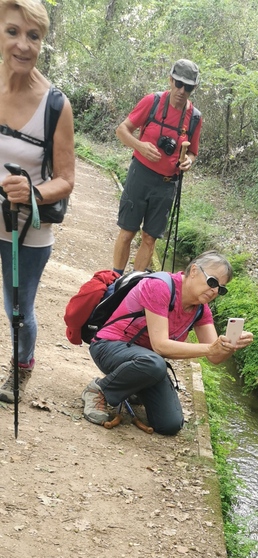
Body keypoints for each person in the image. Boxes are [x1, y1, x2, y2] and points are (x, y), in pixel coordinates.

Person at [81, 251, 253, 435]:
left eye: (221, 288)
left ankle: (131, 386)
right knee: (155, 363)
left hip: (146, 362)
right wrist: (211, 347)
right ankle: (99, 391)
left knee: (169, 424)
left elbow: (215, 358)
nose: (215, 290)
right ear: (194, 270)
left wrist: (230, 346)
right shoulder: (160, 286)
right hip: (110, 346)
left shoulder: (201, 310)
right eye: (212, 281)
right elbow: (160, 346)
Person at [0, 0, 74, 403]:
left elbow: (66, 180)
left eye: (34, 36)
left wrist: (30, 191)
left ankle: (21, 366)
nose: (23, 45)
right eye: (13, 32)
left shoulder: (56, 105)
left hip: (25, 227)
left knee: (18, 310)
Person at [112, 58, 201, 276]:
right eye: (178, 84)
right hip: (139, 175)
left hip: (167, 185)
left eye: (187, 87)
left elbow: (193, 152)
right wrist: (139, 146)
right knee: (127, 232)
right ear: (170, 80)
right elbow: (122, 130)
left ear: (193, 88)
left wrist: (188, 161)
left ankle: (132, 284)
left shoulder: (194, 118)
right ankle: (114, 279)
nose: (181, 90)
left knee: (150, 237)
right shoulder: (152, 102)